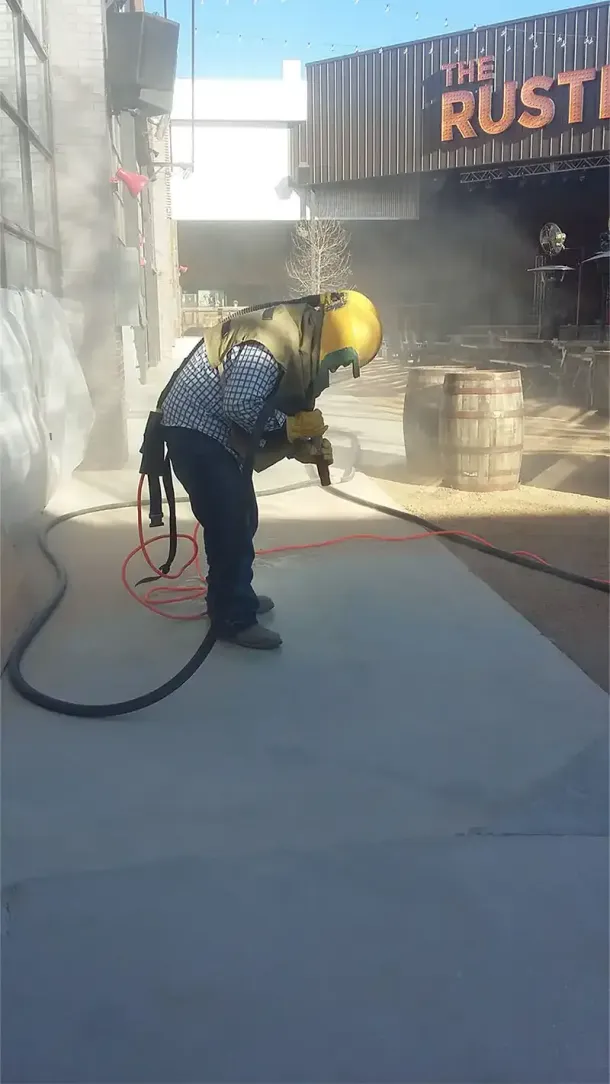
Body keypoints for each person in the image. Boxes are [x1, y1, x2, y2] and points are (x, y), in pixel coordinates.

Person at [158, 290, 382, 650]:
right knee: (230, 520)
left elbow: (264, 409)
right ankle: (233, 617)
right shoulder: (268, 343)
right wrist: (290, 428)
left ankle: (232, 594)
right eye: (339, 363)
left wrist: (301, 447)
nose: (334, 371)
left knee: (241, 517)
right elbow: (241, 404)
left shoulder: (298, 336)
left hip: (214, 431)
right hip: (195, 430)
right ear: (331, 342)